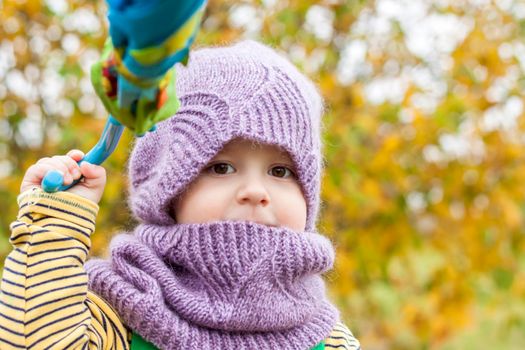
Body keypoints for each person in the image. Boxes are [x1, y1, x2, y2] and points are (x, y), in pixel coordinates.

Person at [0, 40, 361, 350]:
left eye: (280, 171)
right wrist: (54, 221)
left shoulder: (326, 337)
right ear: (168, 188)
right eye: (221, 167)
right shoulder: (124, 309)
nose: (255, 191)